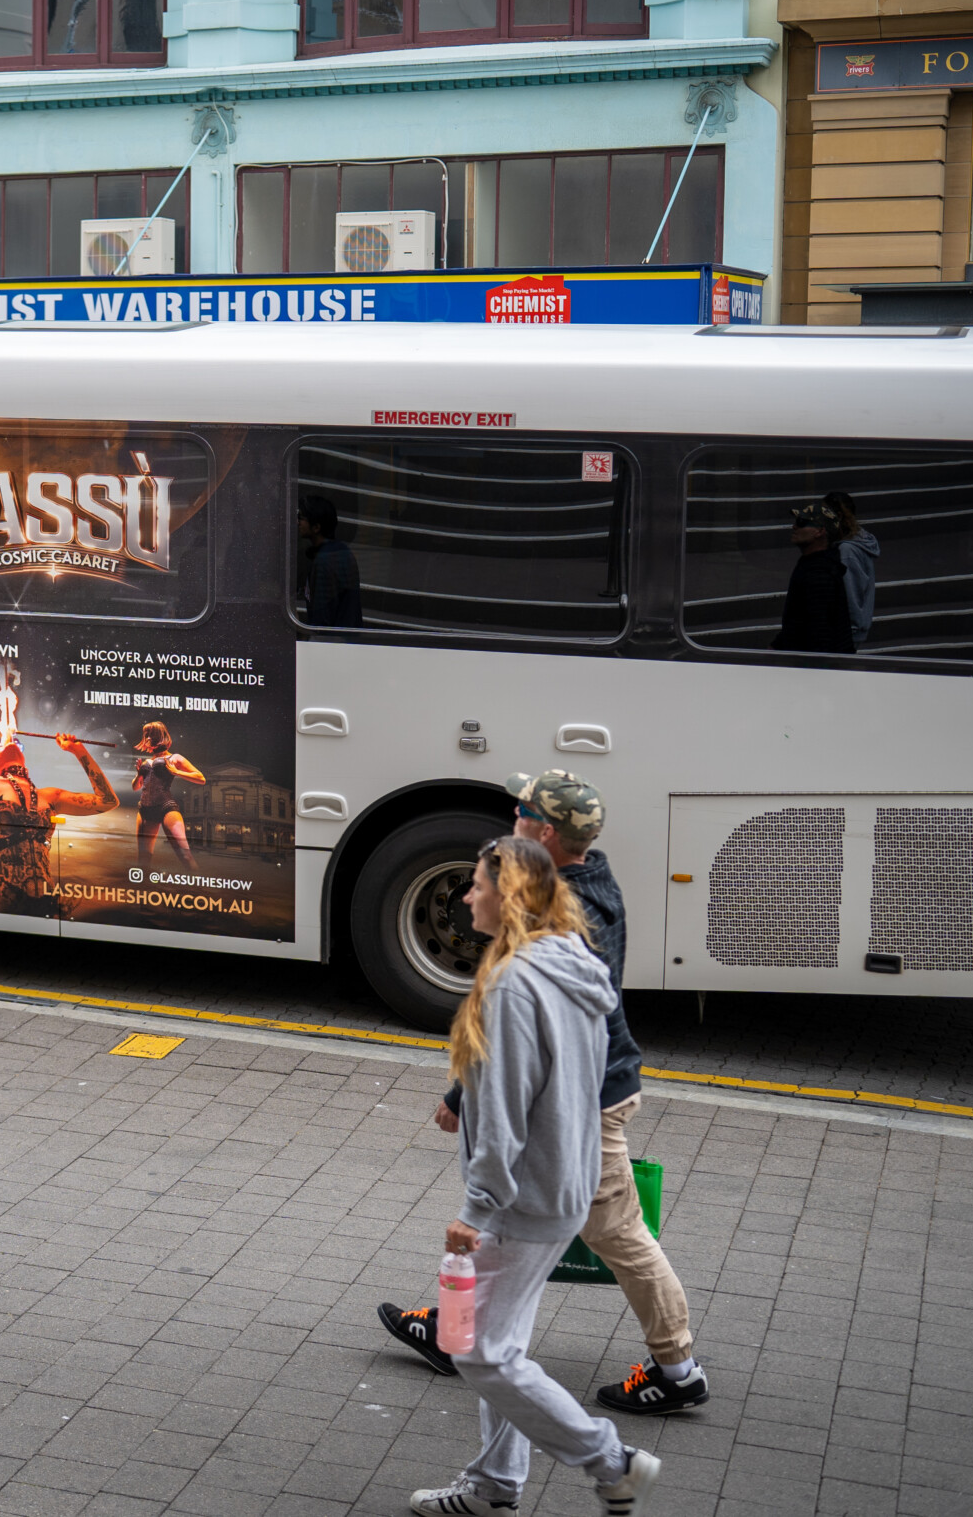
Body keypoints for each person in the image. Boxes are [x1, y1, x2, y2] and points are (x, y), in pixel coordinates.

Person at [383, 773, 707, 1417]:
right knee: (524, 1218)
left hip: (585, 1098)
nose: (514, 813)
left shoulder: (571, 906)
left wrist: (461, 1089)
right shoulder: (580, 881)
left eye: (525, 809)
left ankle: (677, 1368)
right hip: (587, 1087)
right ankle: (459, 1333)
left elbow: (530, 1028)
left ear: (548, 831)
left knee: (613, 1230)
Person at [404, 837, 660, 1517]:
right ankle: (494, 1487)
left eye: (477, 884)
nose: (465, 897)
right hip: (562, 1182)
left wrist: (478, 1205)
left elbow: (508, 1103)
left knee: (479, 1352)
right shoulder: (571, 959)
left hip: (520, 1197)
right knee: (504, 1344)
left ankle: (613, 1462)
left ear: (508, 895)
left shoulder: (513, 983)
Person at [0, 731, 117, 916]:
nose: (9, 741)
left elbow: (108, 801)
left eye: (16, 742)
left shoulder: (50, 796)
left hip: (47, 901)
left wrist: (78, 750)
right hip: (2, 899)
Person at [771, 499, 855, 654]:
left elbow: (820, 632)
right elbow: (799, 621)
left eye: (802, 522)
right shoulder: (815, 564)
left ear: (820, 531)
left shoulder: (819, 575)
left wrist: (812, 672)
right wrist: (776, 646)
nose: (794, 526)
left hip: (814, 668)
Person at [131, 721, 206, 870]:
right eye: (146, 736)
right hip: (145, 809)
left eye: (150, 736)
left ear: (159, 737)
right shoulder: (146, 762)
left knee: (185, 856)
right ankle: (144, 890)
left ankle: (203, 889)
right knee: (143, 859)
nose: (146, 740)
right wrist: (139, 774)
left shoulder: (175, 758)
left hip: (166, 807)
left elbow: (201, 778)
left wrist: (177, 772)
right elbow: (135, 787)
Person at [824, 489, 880, 650]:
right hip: (847, 632)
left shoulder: (847, 552)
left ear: (838, 516)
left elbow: (852, 595)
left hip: (845, 634)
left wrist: (851, 632)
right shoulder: (855, 543)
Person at [297, 493, 363, 627]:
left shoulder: (325, 561)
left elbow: (322, 618)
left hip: (331, 642)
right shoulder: (341, 551)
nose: (298, 522)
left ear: (316, 527)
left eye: (301, 518)